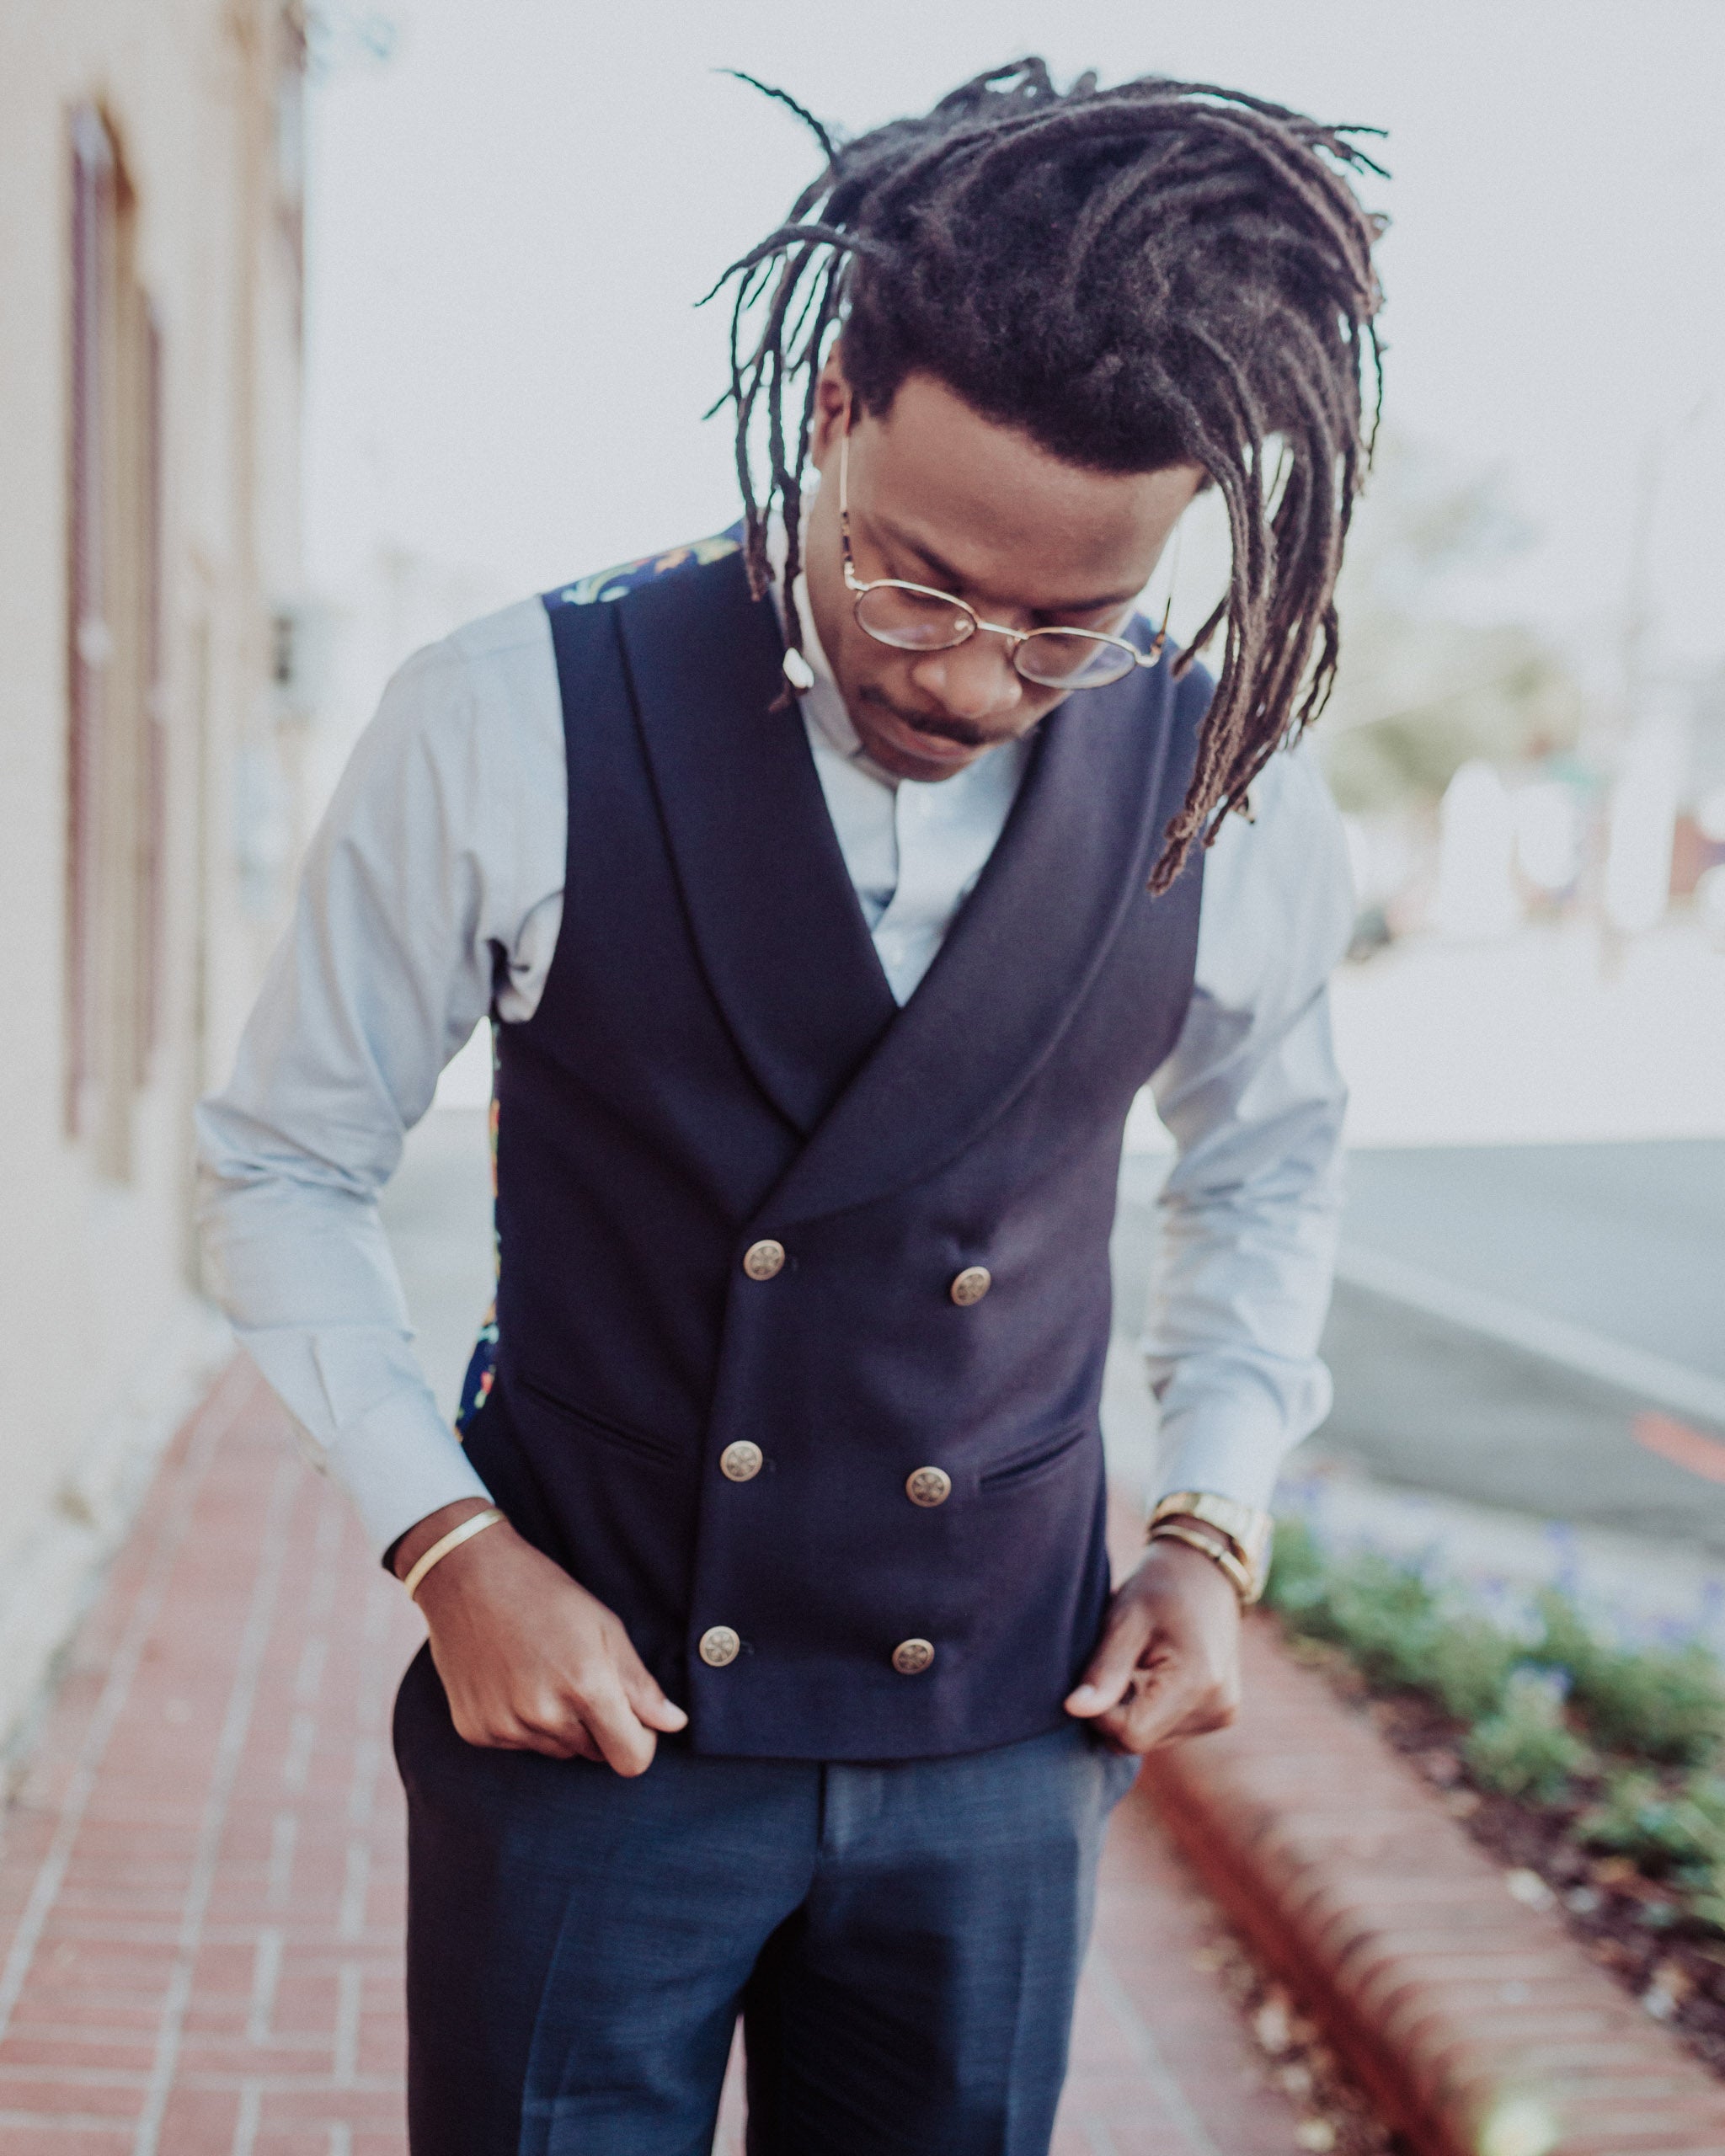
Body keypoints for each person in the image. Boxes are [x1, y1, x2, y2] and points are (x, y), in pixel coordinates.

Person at [198, 58, 1382, 2156]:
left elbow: (1270, 1165)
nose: (963, 676)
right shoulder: (507, 712)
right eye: (913, 580)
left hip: (1004, 1741)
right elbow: (283, 1162)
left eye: (1063, 629)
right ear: (830, 406)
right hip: (588, 1723)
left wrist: (1210, 1515)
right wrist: (445, 1542)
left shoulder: (1233, 784)